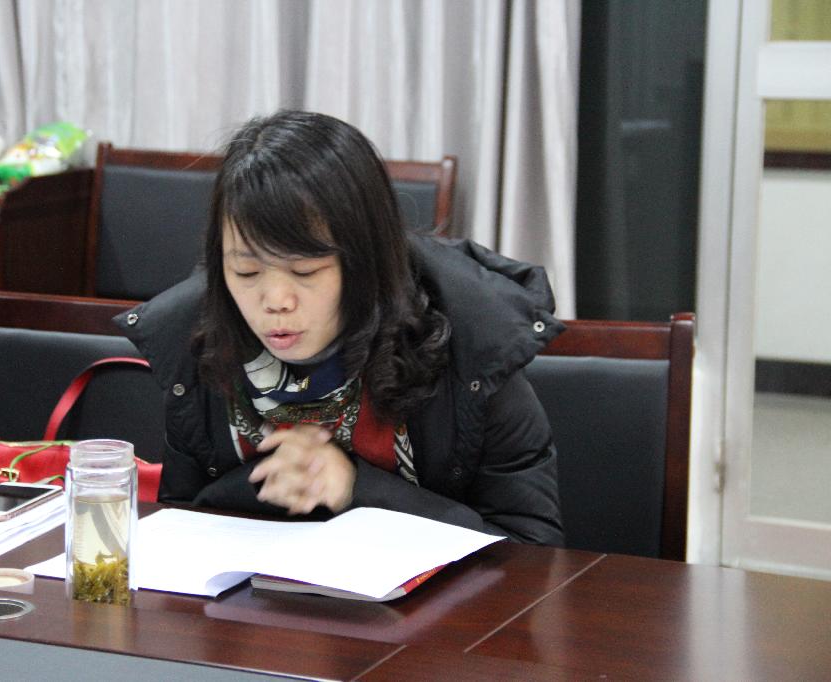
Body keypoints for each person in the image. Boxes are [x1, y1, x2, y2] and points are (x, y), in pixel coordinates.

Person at [119, 110, 564, 544]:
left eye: (305, 271)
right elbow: (185, 527)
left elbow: (531, 551)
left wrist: (358, 488)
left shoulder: (471, 348)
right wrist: (267, 482)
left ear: (365, 263)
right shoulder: (201, 343)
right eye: (247, 272)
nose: (275, 300)